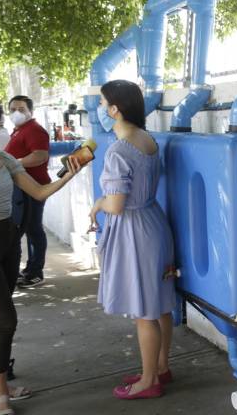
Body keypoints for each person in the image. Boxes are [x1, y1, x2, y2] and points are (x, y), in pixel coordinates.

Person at [0, 100, 82, 415]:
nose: (1, 130)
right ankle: (0, 396)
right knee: (5, 320)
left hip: (9, 243)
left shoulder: (4, 158)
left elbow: (38, 192)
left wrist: (69, 175)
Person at [89, 80, 176, 400]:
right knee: (160, 304)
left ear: (115, 109)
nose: (100, 109)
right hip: (154, 222)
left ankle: (149, 380)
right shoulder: (146, 139)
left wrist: (98, 205)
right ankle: (161, 367)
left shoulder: (119, 149)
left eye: (102, 103)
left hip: (134, 231)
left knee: (144, 312)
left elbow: (116, 204)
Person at [3, 96, 50, 288]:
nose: (17, 113)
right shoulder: (19, 130)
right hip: (22, 188)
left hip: (34, 187)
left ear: (31, 111)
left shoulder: (34, 130)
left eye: (21, 109)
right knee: (29, 229)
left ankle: (35, 272)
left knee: (33, 229)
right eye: (13, 109)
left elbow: (40, 156)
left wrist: (14, 163)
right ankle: (30, 270)